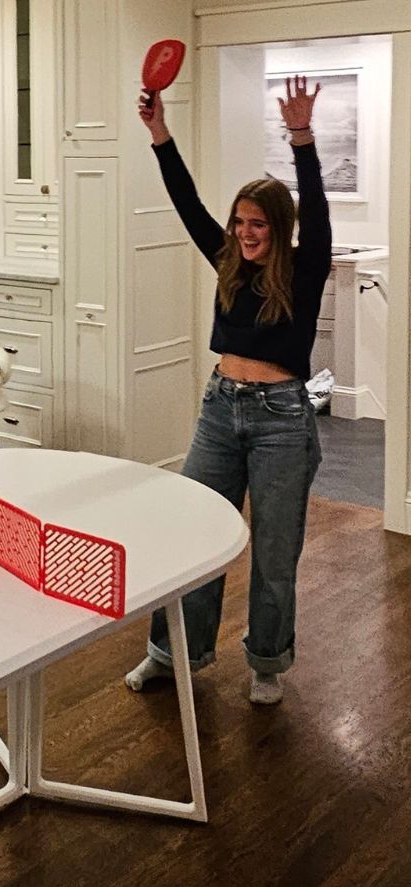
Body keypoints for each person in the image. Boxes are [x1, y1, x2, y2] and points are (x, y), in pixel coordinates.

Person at [126, 75, 331, 706]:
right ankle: (171, 653)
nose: (245, 232)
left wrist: (302, 138)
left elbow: (317, 208)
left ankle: (266, 663)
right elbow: (187, 200)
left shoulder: (304, 269)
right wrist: (160, 134)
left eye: (257, 224)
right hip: (220, 409)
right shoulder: (227, 262)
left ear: (279, 227)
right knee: (193, 531)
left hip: (281, 420)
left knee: (274, 550)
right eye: (240, 222)